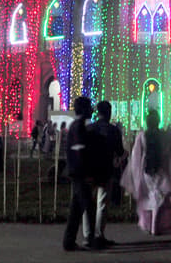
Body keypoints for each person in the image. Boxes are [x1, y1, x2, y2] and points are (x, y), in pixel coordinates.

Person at [122, 109, 171, 236]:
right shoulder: (163, 135)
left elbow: (136, 155)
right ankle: (155, 225)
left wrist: (136, 173)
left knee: (151, 196)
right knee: (158, 196)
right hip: (160, 168)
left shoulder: (142, 135)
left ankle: (151, 224)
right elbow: (169, 150)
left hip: (147, 169)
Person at [62, 97, 101, 251]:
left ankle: (69, 241)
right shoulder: (79, 127)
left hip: (76, 173)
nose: (92, 110)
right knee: (89, 208)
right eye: (90, 107)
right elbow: (80, 152)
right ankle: (91, 239)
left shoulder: (75, 126)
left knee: (76, 209)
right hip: (80, 174)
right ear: (84, 109)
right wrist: (87, 174)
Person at [84, 101, 124, 247]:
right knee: (102, 203)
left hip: (89, 170)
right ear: (109, 113)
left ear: (97, 112)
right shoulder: (113, 131)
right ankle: (98, 235)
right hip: (105, 170)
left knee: (88, 202)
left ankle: (88, 235)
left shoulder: (89, 128)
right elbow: (119, 151)